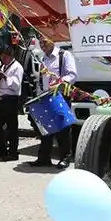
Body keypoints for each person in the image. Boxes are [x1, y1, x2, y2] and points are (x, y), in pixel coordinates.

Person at [32, 37, 78, 168]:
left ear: (52, 41)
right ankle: (43, 158)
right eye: (40, 43)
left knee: (62, 129)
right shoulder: (43, 59)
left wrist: (59, 82)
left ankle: (65, 158)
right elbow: (41, 79)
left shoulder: (64, 55)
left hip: (60, 96)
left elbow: (73, 75)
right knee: (45, 129)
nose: (42, 45)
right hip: (45, 97)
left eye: (44, 42)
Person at [0, 45, 24, 162]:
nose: (3, 59)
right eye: (2, 57)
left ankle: (13, 153)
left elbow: (16, 86)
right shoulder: (4, 66)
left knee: (12, 128)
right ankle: (2, 150)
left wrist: (5, 77)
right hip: (1, 98)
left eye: (5, 57)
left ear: (11, 56)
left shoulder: (17, 67)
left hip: (11, 99)